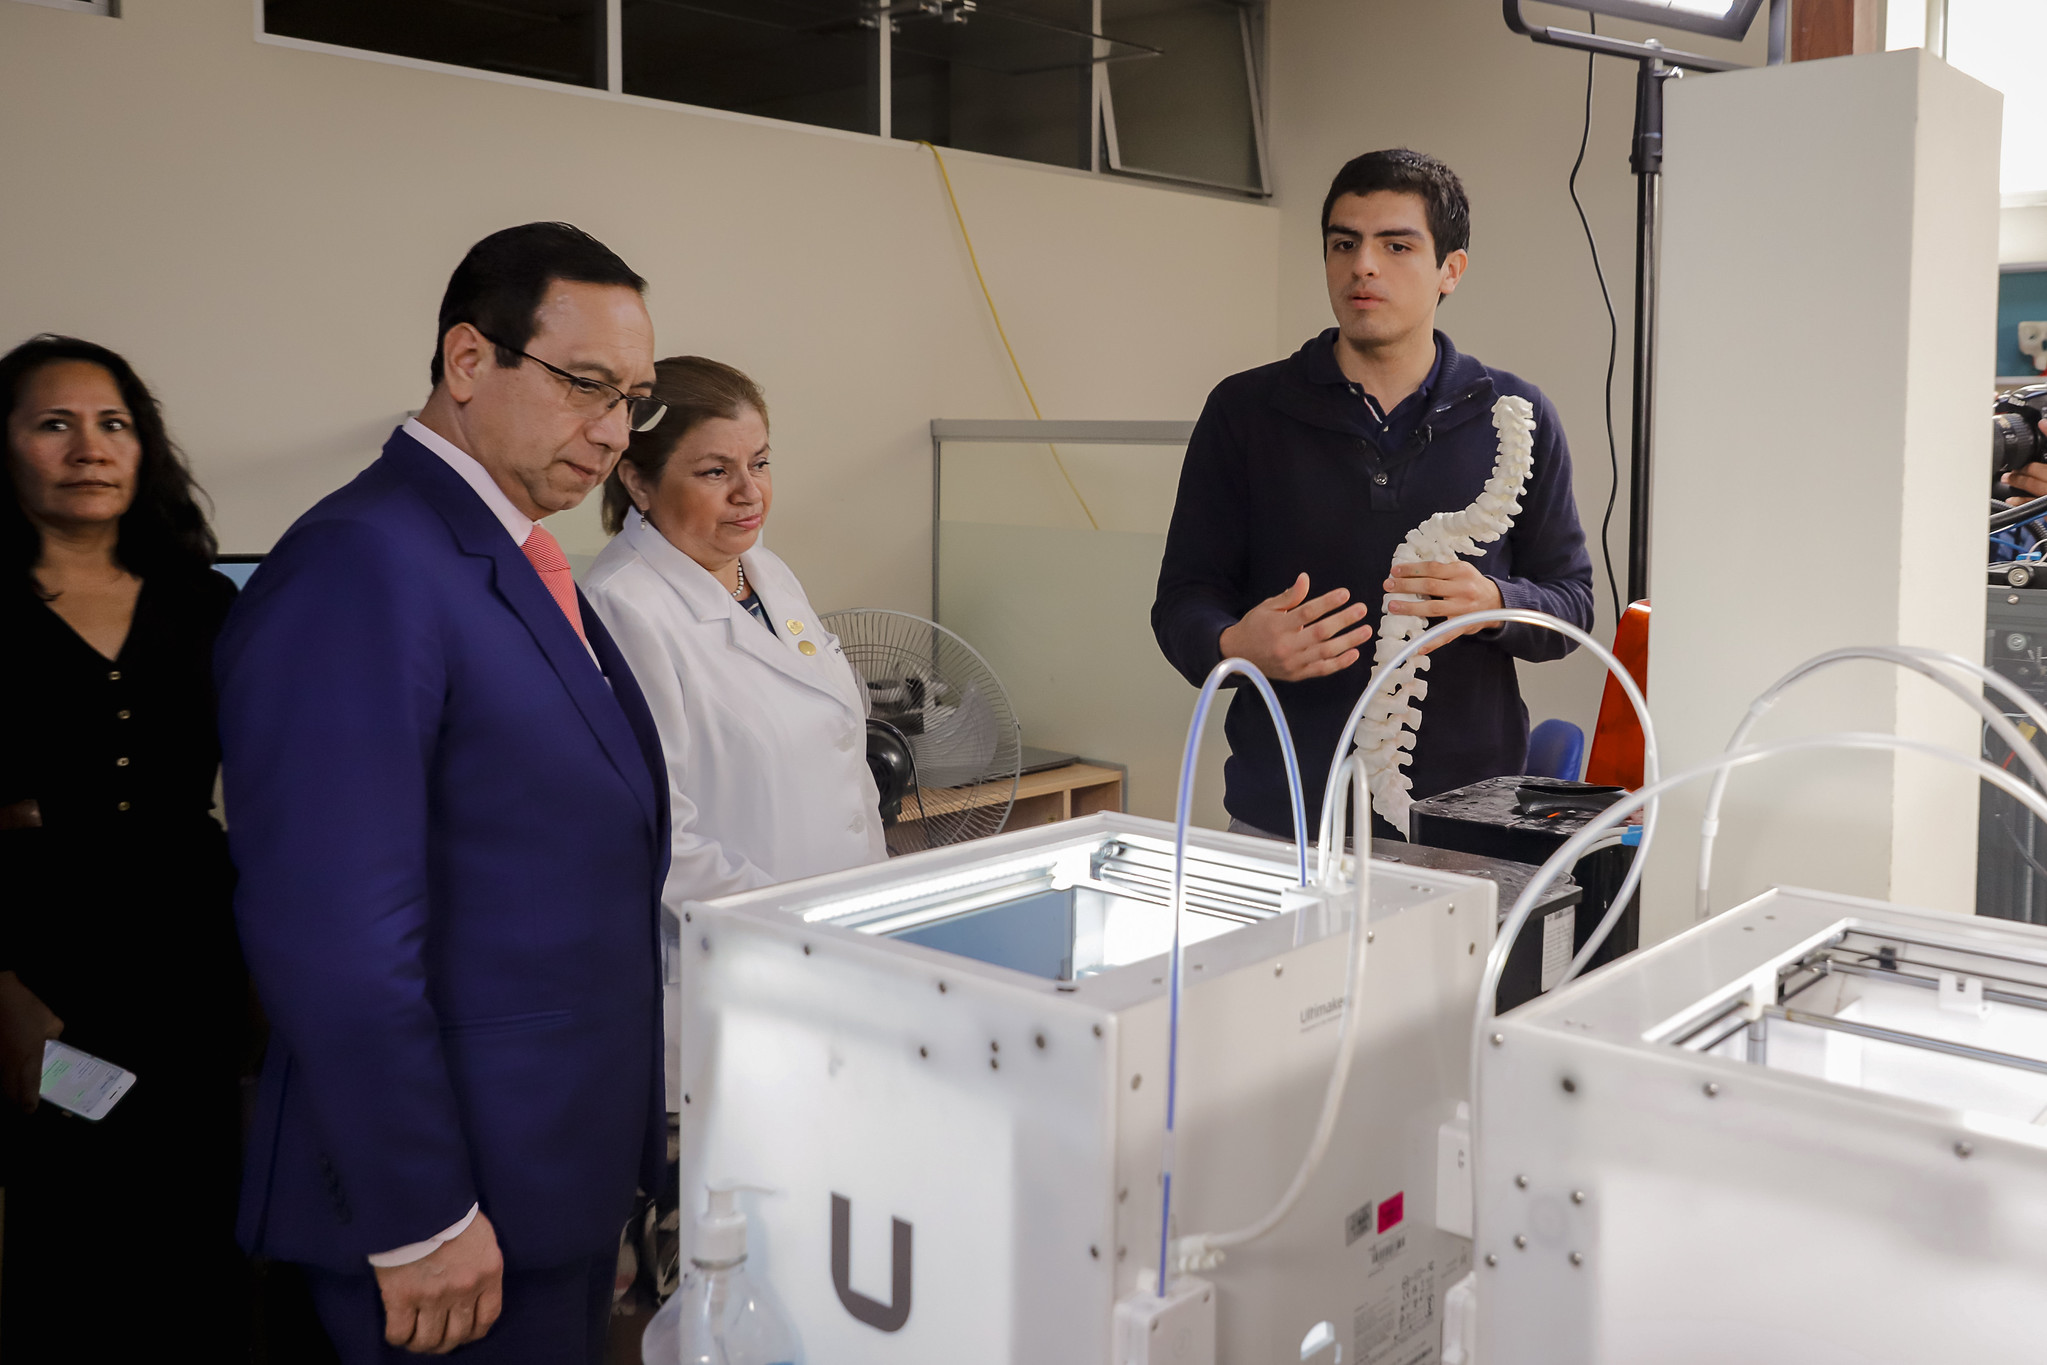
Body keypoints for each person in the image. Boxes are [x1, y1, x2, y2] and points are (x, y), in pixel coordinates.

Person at [216, 222, 672, 1363]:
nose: (613, 431)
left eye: (633, 398)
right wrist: (419, 1213)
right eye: (585, 387)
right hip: (443, 1211)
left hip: (544, 1173)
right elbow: (336, 935)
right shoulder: (365, 563)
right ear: (468, 362)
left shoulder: (508, 557)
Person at [1152, 149, 1594, 841]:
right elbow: (1181, 599)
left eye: (1396, 245)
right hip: (1283, 820)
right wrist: (1234, 642)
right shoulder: (1245, 410)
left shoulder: (1517, 412)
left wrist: (1497, 603)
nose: (1363, 265)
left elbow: (1572, 599)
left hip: (1468, 823)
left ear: (1450, 270)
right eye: (1343, 243)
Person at [0, 335, 249, 1356]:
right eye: (53, 423)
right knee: (74, 1236)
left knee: (204, 1240)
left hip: (196, 970)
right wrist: (4, 995)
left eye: (114, 425)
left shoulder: (206, 602)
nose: (89, 448)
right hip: (42, 981)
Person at [583, 357, 885, 1098]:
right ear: (639, 481)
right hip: (737, 975)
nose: (750, 493)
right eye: (716, 471)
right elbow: (662, 836)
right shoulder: (625, 608)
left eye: (760, 462)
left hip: (843, 952)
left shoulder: (766, 572)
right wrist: (799, 924)